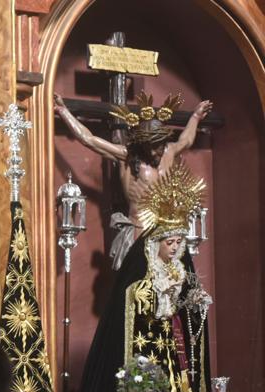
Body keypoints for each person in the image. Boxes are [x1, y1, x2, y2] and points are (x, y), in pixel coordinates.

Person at [76, 163, 213, 392]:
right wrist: (154, 291)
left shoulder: (182, 269)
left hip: (174, 349)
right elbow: (128, 299)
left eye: (178, 243)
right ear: (156, 242)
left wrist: (195, 302)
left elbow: (189, 313)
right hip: (145, 348)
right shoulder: (140, 264)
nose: (174, 248)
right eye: (169, 242)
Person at [54, 91, 212, 268]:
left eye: (157, 147)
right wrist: (63, 111)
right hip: (140, 231)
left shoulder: (170, 151)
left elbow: (187, 140)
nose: (153, 152)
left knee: (172, 287)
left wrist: (196, 116)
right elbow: (89, 140)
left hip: (168, 233)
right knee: (136, 286)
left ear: (164, 141)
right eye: (148, 148)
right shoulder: (127, 156)